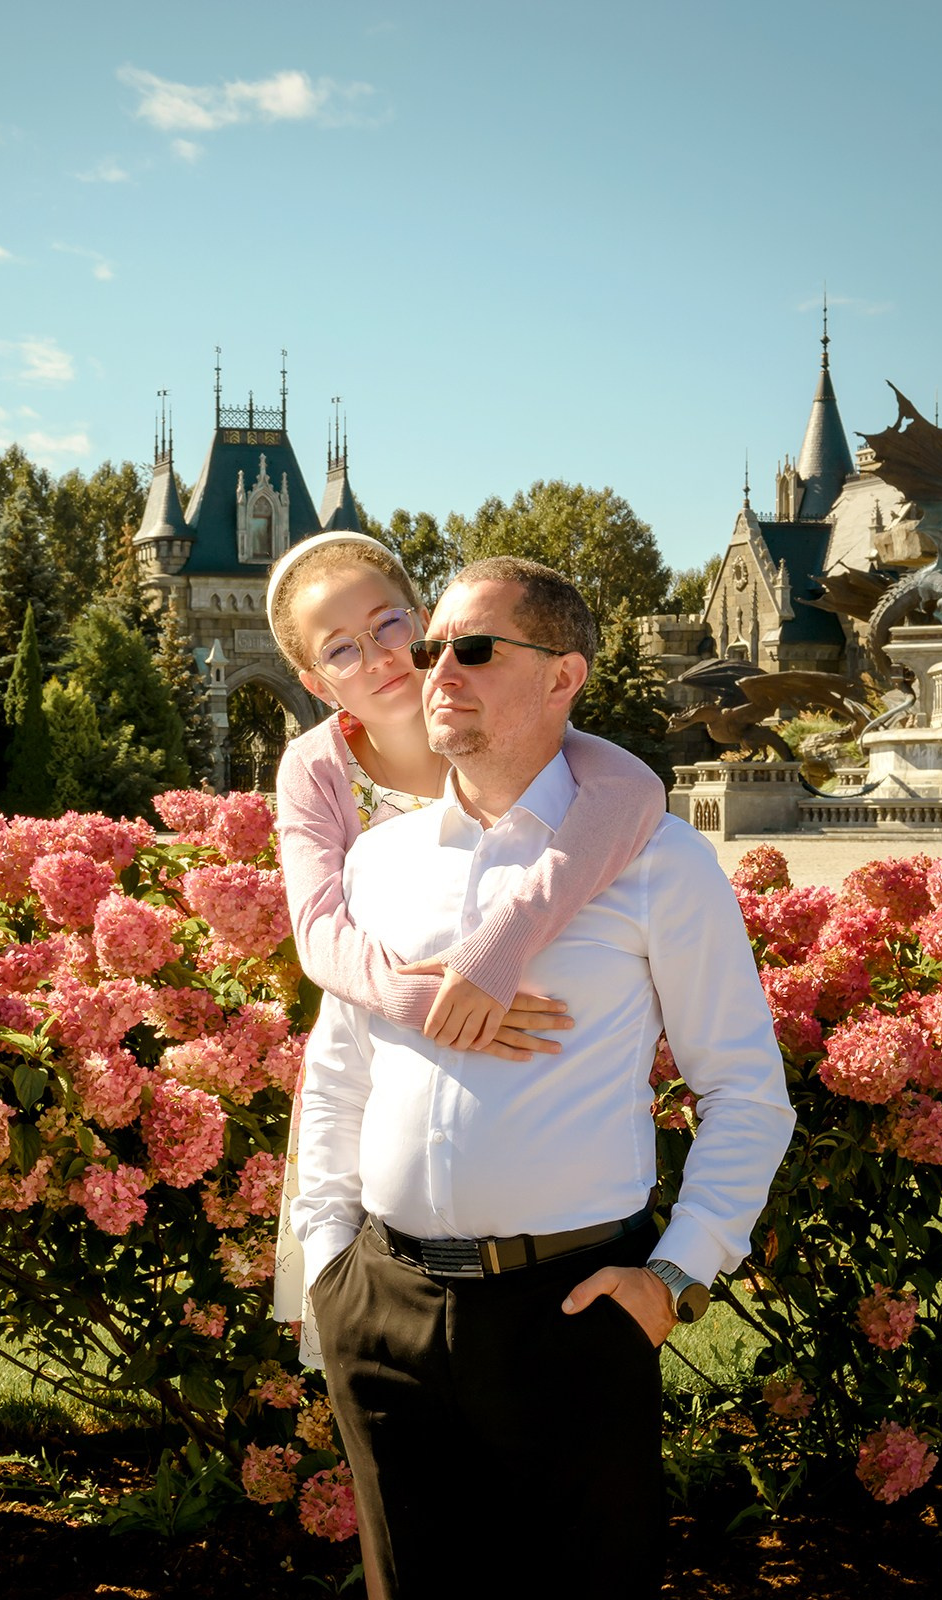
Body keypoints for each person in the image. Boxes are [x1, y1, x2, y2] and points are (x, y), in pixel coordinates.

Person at [287, 556, 796, 1597]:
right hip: (380, 1309)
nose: (435, 671)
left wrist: (675, 1277)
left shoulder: (659, 860)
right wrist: (332, 1264)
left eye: (473, 650)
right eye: (430, 649)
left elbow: (746, 1089)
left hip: (571, 1319)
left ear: (564, 675)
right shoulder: (378, 863)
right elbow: (339, 1074)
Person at [264, 534, 668, 1362]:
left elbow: (638, 790)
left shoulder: (518, 725)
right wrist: (434, 1004)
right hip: (386, 1066)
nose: (379, 657)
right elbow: (319, 935)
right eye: (342, 649)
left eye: (390, 626)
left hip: (545, 1105)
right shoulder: (318, 767)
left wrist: (492, 957)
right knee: (374, 1356)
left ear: (425, 618)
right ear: (314, 681)